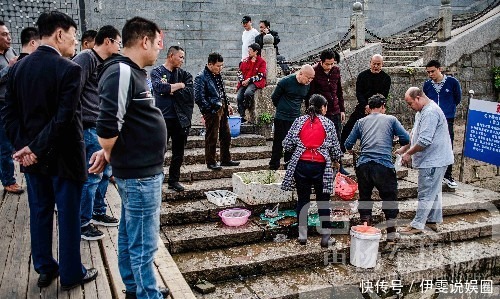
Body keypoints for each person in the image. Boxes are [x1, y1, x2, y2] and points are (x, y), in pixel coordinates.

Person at [3, 11, 101, 290]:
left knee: (40, 211)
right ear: (59, 34)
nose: (74, 43)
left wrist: (25, 147)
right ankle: (72, 273)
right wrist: (32, 147)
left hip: (33, 160)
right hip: (65, 157)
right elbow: (64, 117)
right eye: (72, 36)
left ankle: (45, 267)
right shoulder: (69, 69)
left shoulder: (17, 68)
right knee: (69, 216)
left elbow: (8, 114)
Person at [97, 16, 169, 298]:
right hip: (139, 174)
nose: (158, 50)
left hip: (140, 171)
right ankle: (147, 294)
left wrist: (109, 153)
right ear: (144, 40)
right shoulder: (121, 72)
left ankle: (134, 287)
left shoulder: (137, 72)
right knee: (144, 243)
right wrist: (109, 152)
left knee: (130, 235)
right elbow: (106, 126)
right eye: (157, 43)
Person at [73, 25, 122, 241]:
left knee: (104, 172)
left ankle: (98, 211)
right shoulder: (86, 58)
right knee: (92, 176)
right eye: (118, 42)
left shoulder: (105, 64)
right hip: (89, 127)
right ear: (108, 41)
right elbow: (71, 91)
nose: (120, 47)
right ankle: (82, 222)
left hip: (104, 128)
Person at [344, 94, 410, 243]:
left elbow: (348, 144)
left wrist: (352, 150)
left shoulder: (360, 122)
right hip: (383, 166)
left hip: (364, 166)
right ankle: (391, 234)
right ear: (382, 107)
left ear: (369, 107)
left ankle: (365, 229)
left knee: (365, 198)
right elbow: (406, 139)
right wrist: (392, 141)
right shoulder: (391, 120)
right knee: (389, 198)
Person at [281, 94, 342, 247]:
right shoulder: (328, 123)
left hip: (301, 165)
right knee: (323, 201)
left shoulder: (299, 121)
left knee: (303, 200)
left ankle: (302, 236)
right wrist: (336, 161)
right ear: (323, 107)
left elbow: (287, 144)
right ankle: (326, 237)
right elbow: (335, 149)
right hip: (321, 167)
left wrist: (300, 147)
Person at [396, 87, 454, 235]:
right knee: (433, 192)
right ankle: (432, 220)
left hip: (434, 159)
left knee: (426, 192)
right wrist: (404, 148)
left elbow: (424, 141)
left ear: (418, 98)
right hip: (435, 158)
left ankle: (417, 224)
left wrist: (408, 154)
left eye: (410, 103)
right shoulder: (421, 112)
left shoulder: (430, 112)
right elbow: (415, 135)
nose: (410, 107)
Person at [151, 45, 194, 192]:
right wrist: (179, 86)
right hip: (162, 119)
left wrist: (171, 88)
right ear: (171, 56)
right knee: (158, 152)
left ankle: (173, 180)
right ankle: (156, 179)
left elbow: (189, 94)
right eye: (180, 57)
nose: (182, 60)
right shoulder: (157, 72)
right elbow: (159, 88)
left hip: (180, 119)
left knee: (178, 153)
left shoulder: (184, 75)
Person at [194, 52, 240, 171]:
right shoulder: (201, 76)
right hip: (211, 109)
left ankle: (225, 159)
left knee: (226, 134)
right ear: (210, 64)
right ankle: (211, 161)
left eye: (222, 65)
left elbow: (222, 91)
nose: (220, 68)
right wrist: (208, 110)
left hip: (222, 107)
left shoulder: (217, 74)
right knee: (212, 137)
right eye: (218, 66)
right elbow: (199, 97)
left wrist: (227, 104)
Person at [308, 49, 349, 174]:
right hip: (321, 112)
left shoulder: (336, 70)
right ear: (321, 62)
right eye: (327, 64)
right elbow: (311, 95)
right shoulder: (314, 72)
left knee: (337, 139)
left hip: (335, 110)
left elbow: (339, 91)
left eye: (332, 64)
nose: (330, 67)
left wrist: (342, 109)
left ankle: (339, 165)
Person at [423, 60, 462, 188]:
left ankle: (448, 175)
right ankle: (432, 174)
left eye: (433, 71)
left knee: (448, 146)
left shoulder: (452, 82)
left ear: (440, 69)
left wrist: (448, 110)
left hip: (447, 118)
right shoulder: (427, 85)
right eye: (428, 72)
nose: (430, 74)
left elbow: (457, 98)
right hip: (432, 119)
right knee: (431, 145)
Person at [340, 54, 391, 152]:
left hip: (377, 109)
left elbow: (383, 95)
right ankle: (342, 148)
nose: (376, 66)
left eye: (378, 64)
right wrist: (365, 106)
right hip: (362, 107)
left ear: (382, 64)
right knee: (348, 127)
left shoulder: (386, 78)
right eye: (374, 64)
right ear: (370, 63)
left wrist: (373, 108)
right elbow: (359, 93)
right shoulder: (362, 76)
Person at [269, 64, 315, 170]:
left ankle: (289, 165)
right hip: (281, 117)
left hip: (295, 119)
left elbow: (306, 100)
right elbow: (274, 97)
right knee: (278, 143)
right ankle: (273, 166)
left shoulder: (307, 85)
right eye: (308, 78)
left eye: (311, 79)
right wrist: (282, 108)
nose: (309, 81)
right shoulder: (285, 82)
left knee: (293, 144)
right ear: (301, 73)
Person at [0, 20, 23, 194]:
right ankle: (8, 180)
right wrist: (9, 67)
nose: (9, 37)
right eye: (4, 34)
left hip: (13, 105)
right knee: (4, 146)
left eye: (8, 33)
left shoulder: (11, 52)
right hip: (1, 107)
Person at [236, 43, 266, 123]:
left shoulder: (262, 62)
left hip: (255, 82)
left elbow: (261, 75)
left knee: (248, 93)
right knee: (239, 97)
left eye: (250, 50)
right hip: (244, 82)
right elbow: (239, 72)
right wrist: (242, 80)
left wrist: (249, 80)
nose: (248, 52)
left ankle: (247, 106)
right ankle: (242, 115)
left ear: (256, 51)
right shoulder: (245, 60)